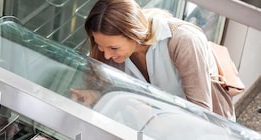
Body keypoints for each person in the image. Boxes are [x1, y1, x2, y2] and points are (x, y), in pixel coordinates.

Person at [70, 0, 235, 121]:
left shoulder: (183, 41)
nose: (106, 55)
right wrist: (97, 95)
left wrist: (156, 121)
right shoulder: (117, 56)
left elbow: (201, 115)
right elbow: (119, 94)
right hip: (148, 134)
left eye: (113, 48)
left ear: (135, 34)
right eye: (100, 46)